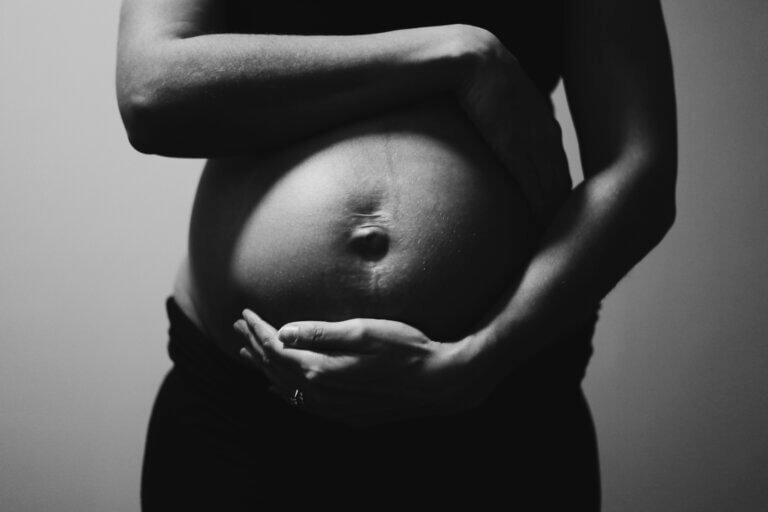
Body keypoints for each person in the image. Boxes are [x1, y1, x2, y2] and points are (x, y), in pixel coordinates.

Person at [116, 1, 677, 510]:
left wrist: (479, 360)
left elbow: (639, 170)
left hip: (503, 405)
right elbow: (153, 89)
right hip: (246, 409)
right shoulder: (464, 54)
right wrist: (454, 54)